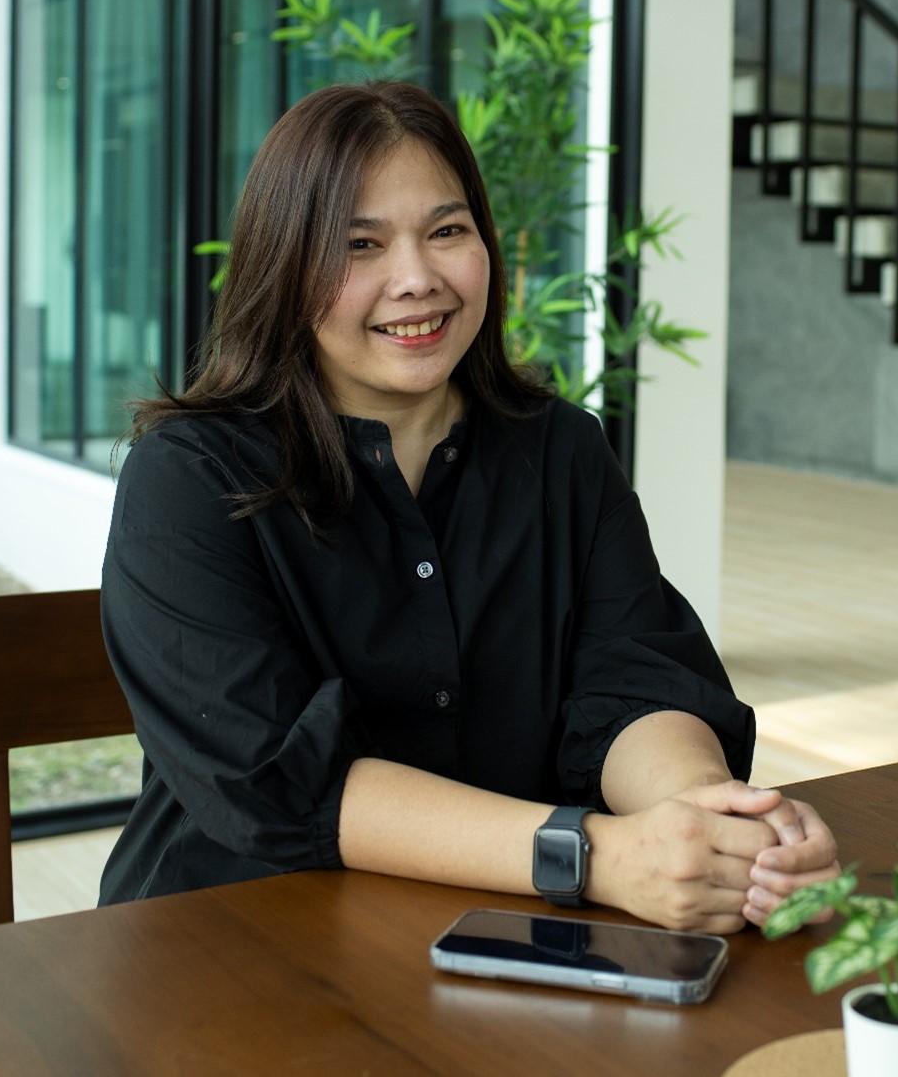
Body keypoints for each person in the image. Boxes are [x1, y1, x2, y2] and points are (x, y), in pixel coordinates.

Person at [99, 82, 839, 931]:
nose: (416, 280)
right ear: (284, 265)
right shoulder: (189, 478)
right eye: (358, 245)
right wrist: (594, 854)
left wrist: (710, 823)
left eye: (447, 232)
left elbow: (634, 682)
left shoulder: (560, 450)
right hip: (234, 946)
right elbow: (279, 777)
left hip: (507, 933)